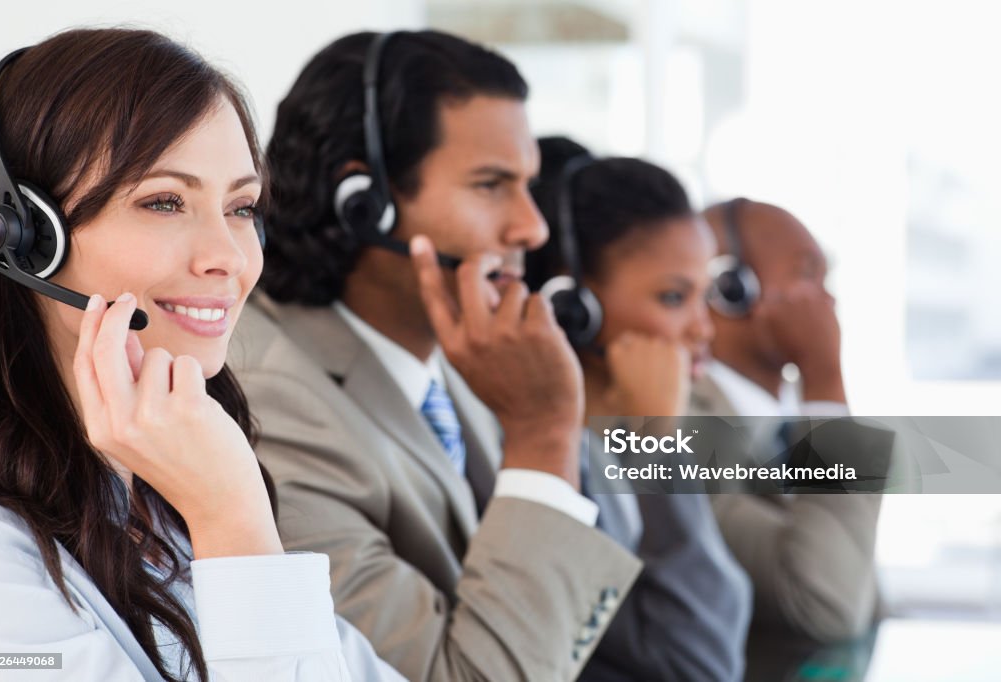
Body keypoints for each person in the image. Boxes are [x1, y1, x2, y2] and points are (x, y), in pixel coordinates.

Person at [0, 28, 403, 681]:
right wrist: (232, 522)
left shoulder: (158, 500)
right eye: (164, 201)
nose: (230, 258)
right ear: (24, 236)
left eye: (241, 206)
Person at [229, 30, 643, 681]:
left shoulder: (468, 354)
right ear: (362, 203)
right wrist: (545, 434)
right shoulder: (270, 402)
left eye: (528, 184)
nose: (531, 228)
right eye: (490, 185)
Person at [524, 135, 752, 681]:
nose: (704, 327)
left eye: (706, 294)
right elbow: (700, 664)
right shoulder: (544, 470)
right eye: (673, 298)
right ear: (572, 305)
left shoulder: (652, 431)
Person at [691, 198, 884, 642]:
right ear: (730, 288)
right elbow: (829, 603)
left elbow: (865, 594)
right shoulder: (680, 425)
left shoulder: (792, 419)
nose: (828, 298)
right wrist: (825, 382)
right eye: (806, 274)